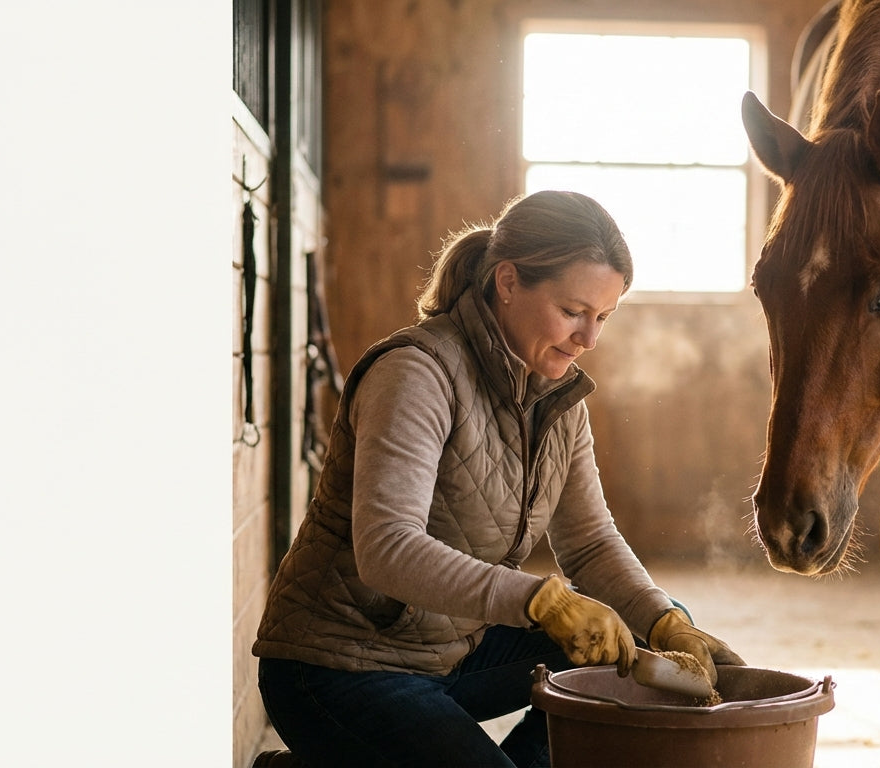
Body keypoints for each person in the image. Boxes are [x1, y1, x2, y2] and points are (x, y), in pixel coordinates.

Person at [252, 190, 743, 768]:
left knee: (628, 649)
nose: (590, 339)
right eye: (573, 311)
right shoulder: (416, 373)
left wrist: (665, 620)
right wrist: (541, 601)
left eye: (603, 317)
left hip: (454, 651)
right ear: (507, 282)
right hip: (339, 664)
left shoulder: (559, 401)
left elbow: (588, 542)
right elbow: (386, 548)